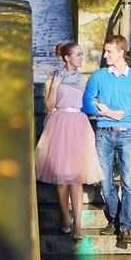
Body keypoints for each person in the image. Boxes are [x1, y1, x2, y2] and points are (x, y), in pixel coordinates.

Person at [82, 35, 131, 246]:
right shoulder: (99, 76)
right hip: (103, 134)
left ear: (121, 53)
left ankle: (125, 227)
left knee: (128, 183)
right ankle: (116, 218)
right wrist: (107, 112)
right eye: (105, 51)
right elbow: (85, 104)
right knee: (106, 182)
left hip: (128, 134)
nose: (104, 55)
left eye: (109, 52)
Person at [35, 42, 103, 240]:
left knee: (77, 178)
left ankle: (78, 225)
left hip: (79, 125)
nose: (82, 58)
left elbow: (90, 103)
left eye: (82, 54)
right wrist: (55, 86)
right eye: (78, 55)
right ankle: (65, 217)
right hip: (59, 124)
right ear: (67, 57)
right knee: (61, 179)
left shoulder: (84, 79)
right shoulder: (54, 77)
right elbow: (48, 106)